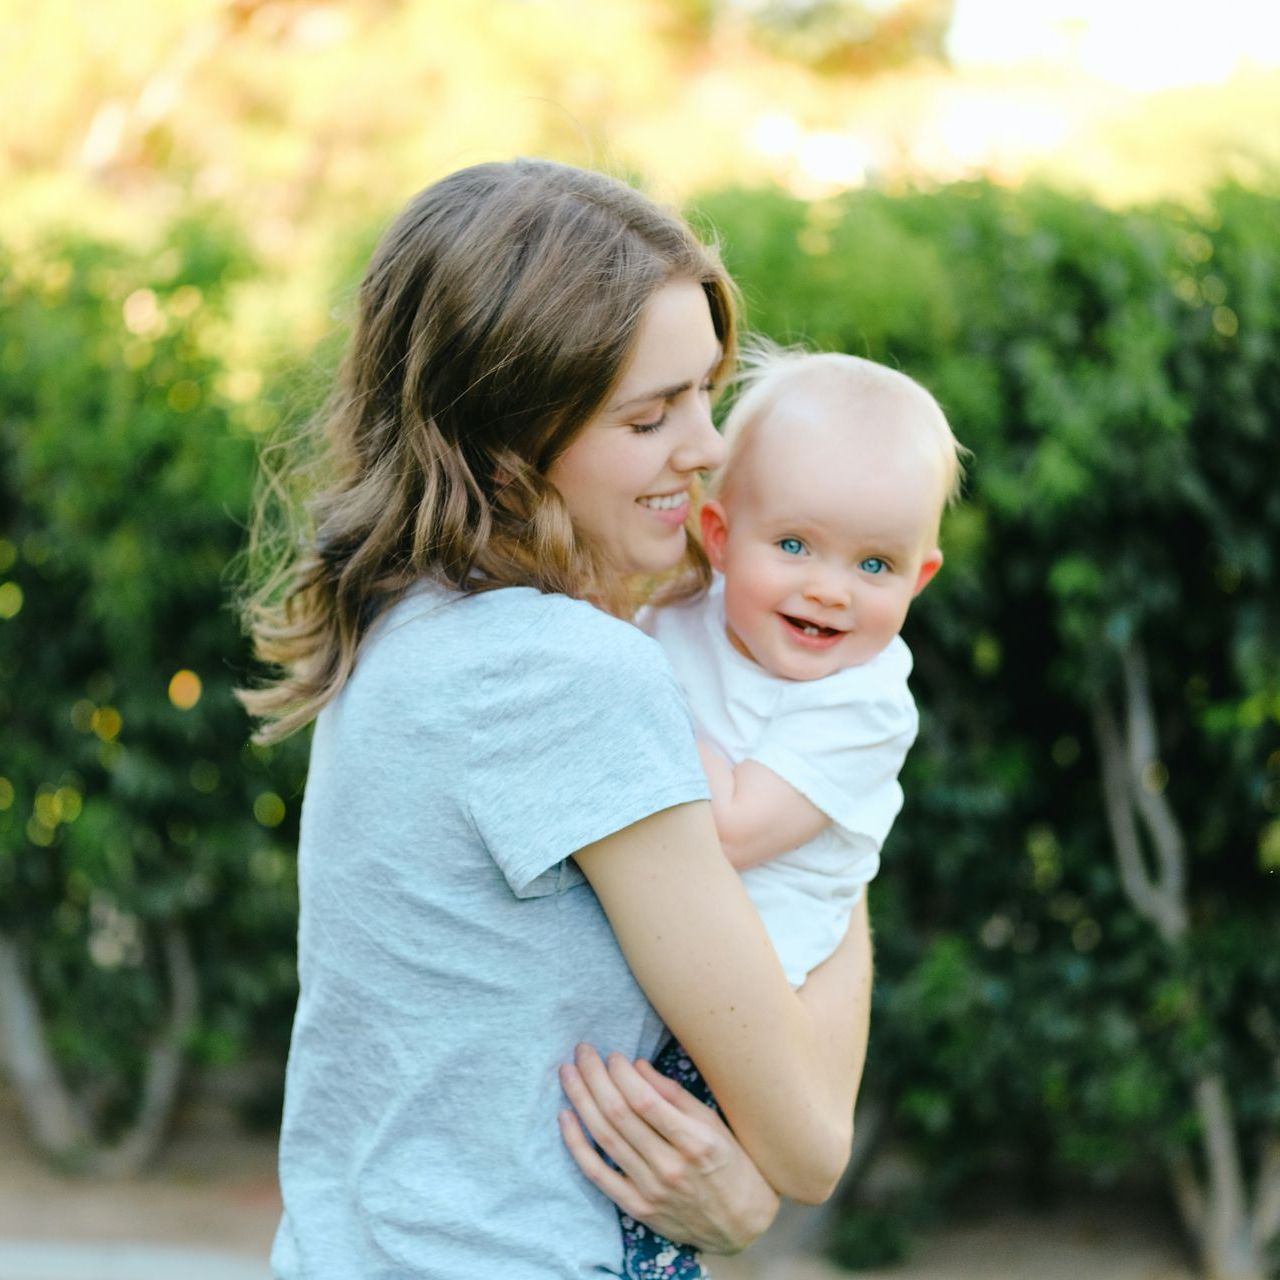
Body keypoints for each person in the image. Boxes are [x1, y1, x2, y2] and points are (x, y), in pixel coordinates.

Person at [238, 159, 873, 1279]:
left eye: (706, 391)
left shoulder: (412, 623)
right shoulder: (563, 672)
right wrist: (842, 780)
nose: (707, 445)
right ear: (508, 441)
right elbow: (809, 1140)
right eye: (649, 414)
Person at [627, 349, 965, 1276]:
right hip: (664, 970)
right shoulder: (686, 608)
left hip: (739, 1020)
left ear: (919, 579)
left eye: (875, 564)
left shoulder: (863, 705)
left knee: (641, 1201)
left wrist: (627, 680)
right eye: (793, 546)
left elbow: (729, 831)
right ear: (717, 533)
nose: (830, 588)